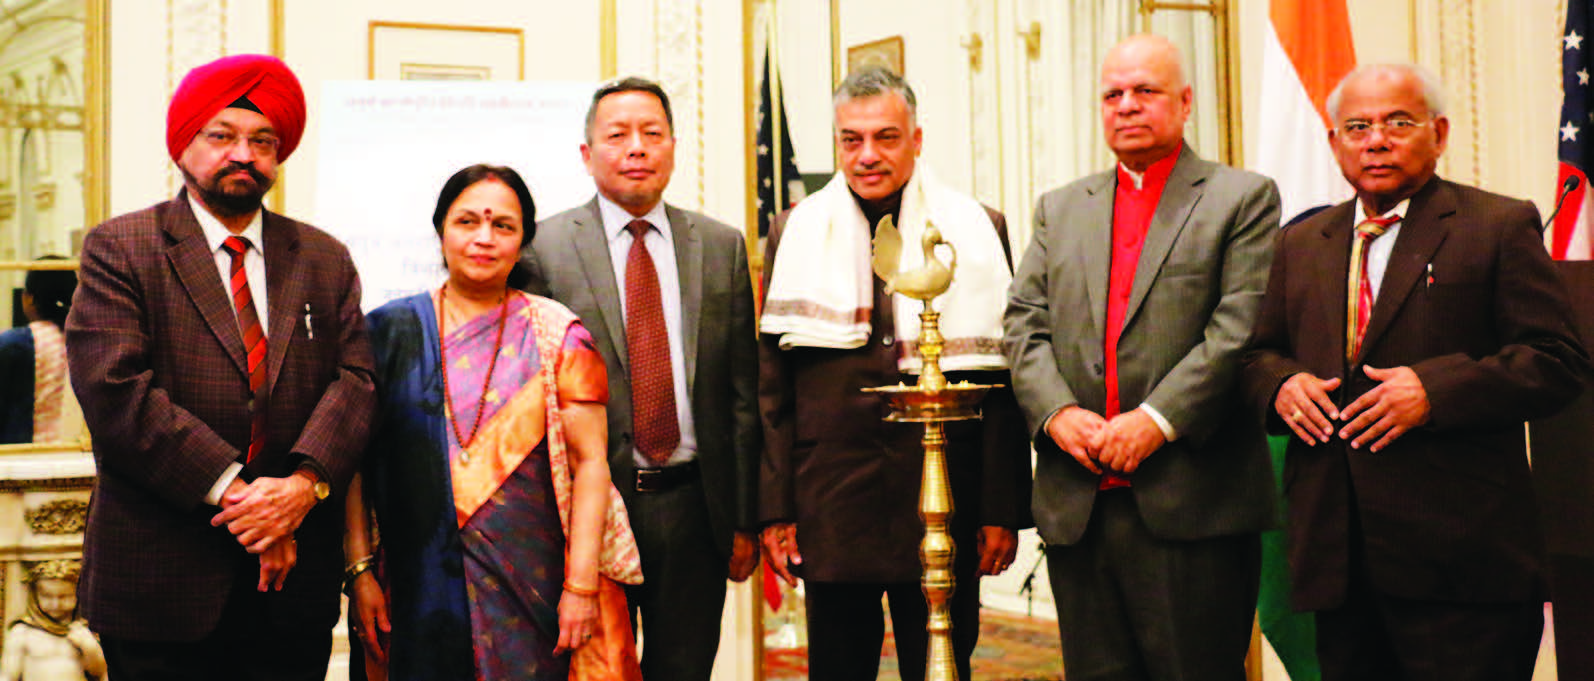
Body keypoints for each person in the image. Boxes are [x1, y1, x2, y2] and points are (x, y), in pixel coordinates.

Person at [1240, 63, 1589, 681]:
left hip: (1462, 566)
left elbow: (1557, 360)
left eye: (1398, 122)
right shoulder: (1300, 243)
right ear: (1333, 143)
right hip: (1337, 561)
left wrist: (1436, 390)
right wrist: (1280, 385)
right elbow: (1255, 356)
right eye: (1358, 126)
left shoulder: (1497, 225)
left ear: (1439, 132)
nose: (1377, 140)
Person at [65, 54, 376, 680]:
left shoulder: (323, 256)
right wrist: (249, 504)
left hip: (293, 590)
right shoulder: (122, 248)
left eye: (263, 141)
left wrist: (300, 489)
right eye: (222, 136)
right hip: (161, 583)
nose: (244, 154)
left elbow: (356, 383)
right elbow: (116, 393)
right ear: (184, 147)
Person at [1003, 34, 1281, 679]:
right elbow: (1024, 323)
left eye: (1145, 91)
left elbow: (1237, 330)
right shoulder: (1060, 208)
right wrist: (1056, 413)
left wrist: (1153, 421)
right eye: (1113, 94)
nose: (1127, 105)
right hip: (1081, 502)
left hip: (1192, 499)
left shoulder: (1241, 198)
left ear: (1185, 103)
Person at [758, 66, 1031, 681]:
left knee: (942, 666)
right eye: (851, 140)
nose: (867, 155)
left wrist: (1000, 508)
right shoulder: (793, 230)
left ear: (917, 138)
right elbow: (772, 387)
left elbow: (1005, 380)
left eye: (885, 137)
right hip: (831, 500)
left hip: (944, 497)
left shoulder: (978, 229)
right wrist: (775, 508)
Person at [347, 164, 641, 680]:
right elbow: (355, 465)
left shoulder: (559, 335)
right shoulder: (388, 332)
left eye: (503, 225)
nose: (484, 238)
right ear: (442, 231)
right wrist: (360, 573)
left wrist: (580, 586)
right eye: (467, 222)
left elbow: (592, 464)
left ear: (523, 239)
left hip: (537, 587)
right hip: (415, 589)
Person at [525, 77, 760, 681]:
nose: (636, 148)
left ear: (673, 148)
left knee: (684, 668)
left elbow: (740, 395)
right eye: (618, 135)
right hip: (590, 509)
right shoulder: (543, 248)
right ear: (586, 154)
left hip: (694, 506)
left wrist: (743, 518)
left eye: (651, 134)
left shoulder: (720, 245)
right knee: (596, 670)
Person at [0, 257, 81, 444]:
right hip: (73, 454)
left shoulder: (14, 345)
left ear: (28, 298)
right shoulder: (86, 341)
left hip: (22, 458)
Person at [0, 560, 106, 681]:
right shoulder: (22, 633)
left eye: (64, 596)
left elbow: (99, 672)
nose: (55, 604)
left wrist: (89, 647)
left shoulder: (82, 631)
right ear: (35, 596)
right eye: (47, 596)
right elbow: (8, 676)